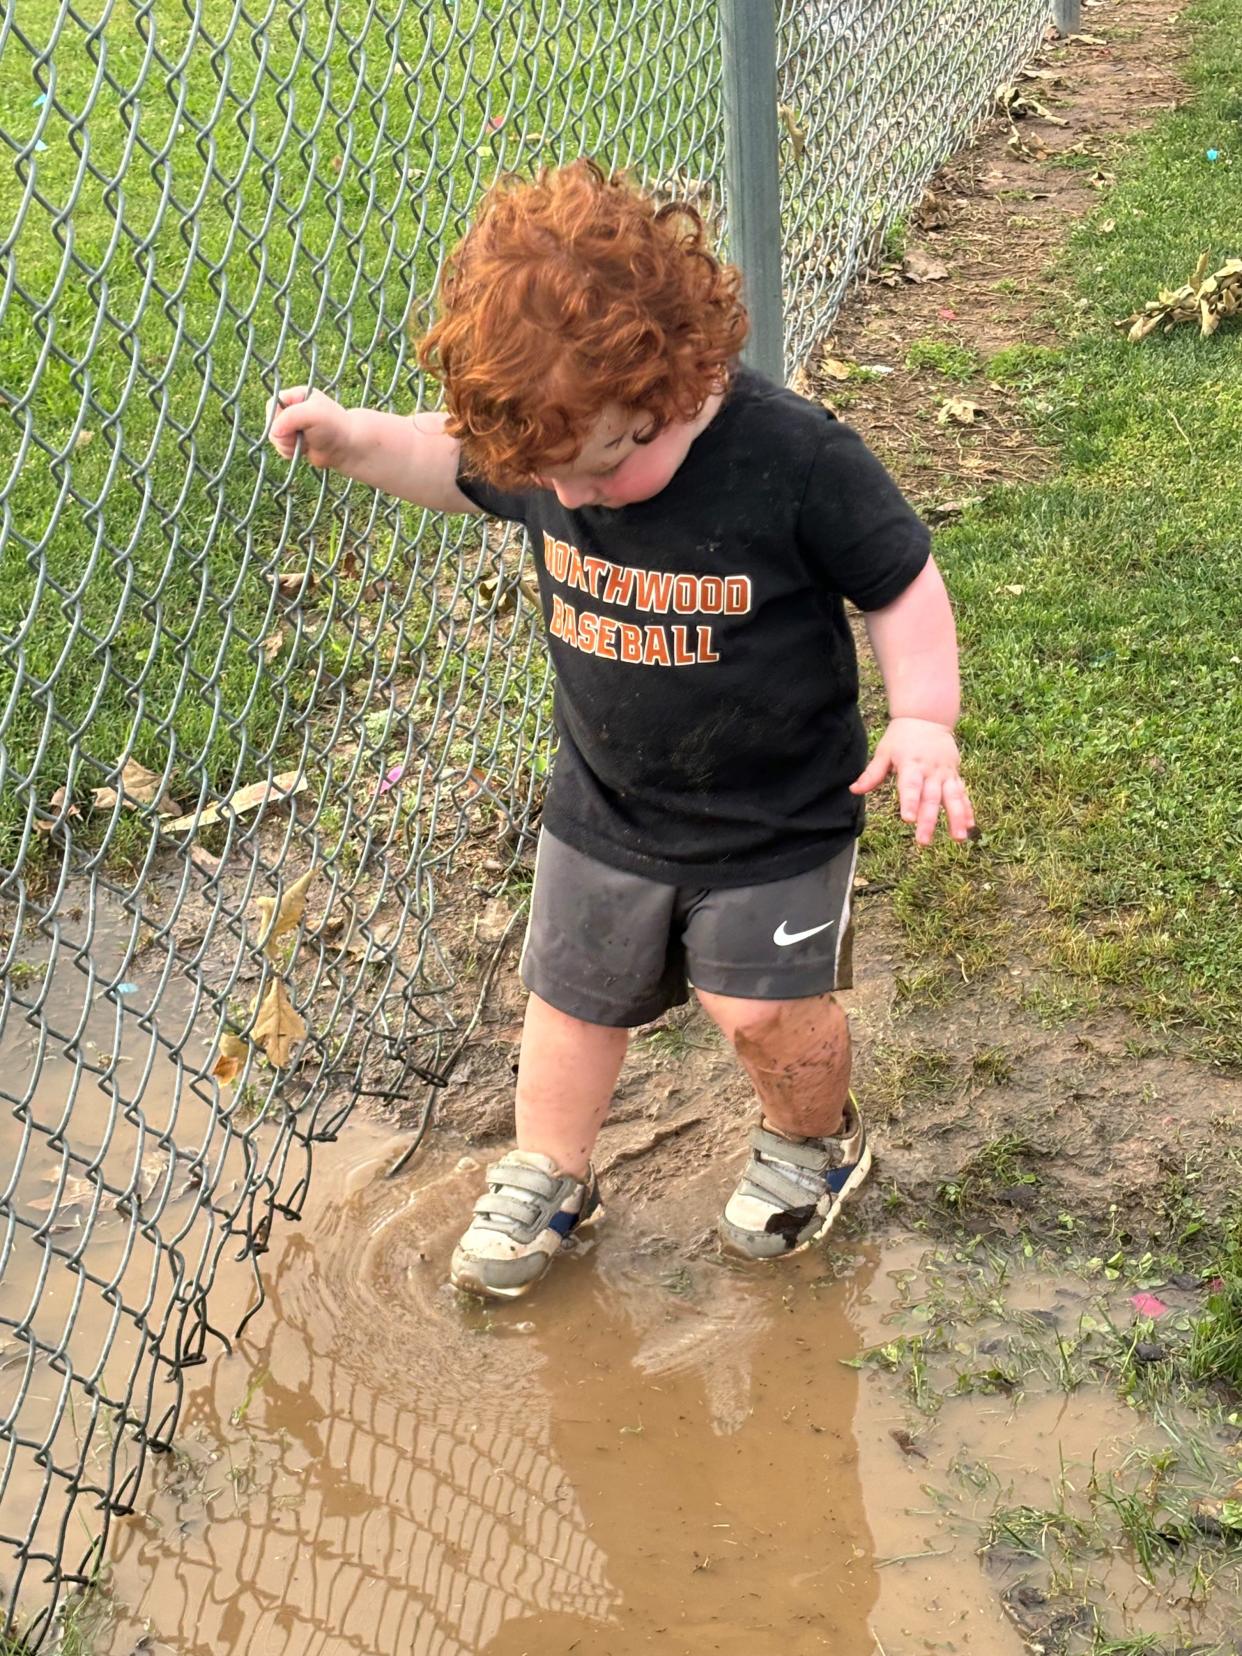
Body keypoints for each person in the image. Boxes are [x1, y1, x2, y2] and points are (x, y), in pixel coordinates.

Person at [268, 159, 975, 1301]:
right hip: (607, 802)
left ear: (678, 379)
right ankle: (550, 1171)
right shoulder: (556, 446)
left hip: (779, 812)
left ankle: (814, 1143)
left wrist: (926, 719)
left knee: (762, 1011)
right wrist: (356, 438)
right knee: (569, 1001)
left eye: (601, 467)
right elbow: (446, 462)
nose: (576, 500)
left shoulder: (794, 458)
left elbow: (900, 582)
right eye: (543, 478)